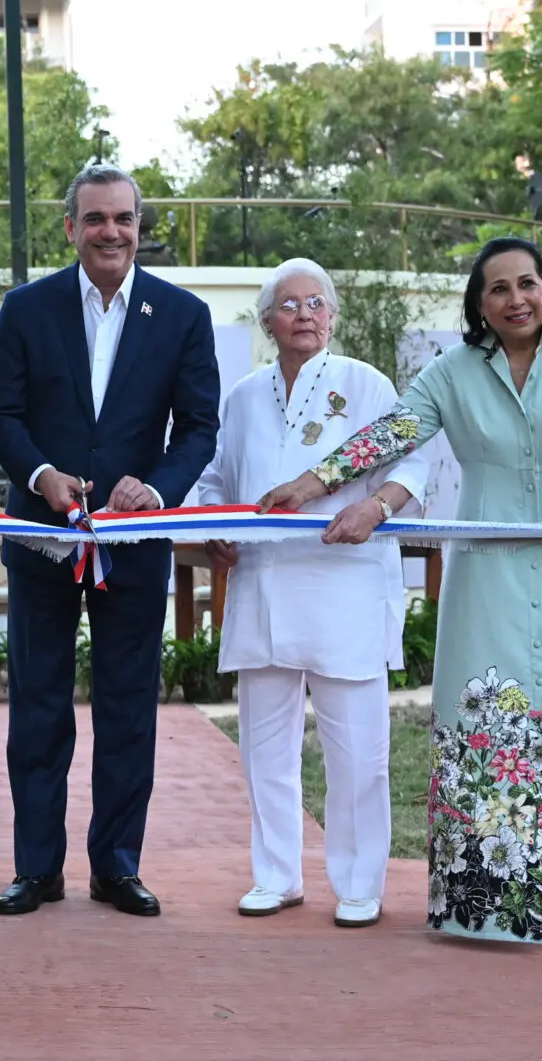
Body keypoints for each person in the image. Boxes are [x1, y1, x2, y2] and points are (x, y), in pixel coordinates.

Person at [262, 237, 542, 949]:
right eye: (498, 289)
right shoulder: (451, 373)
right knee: (494, 721)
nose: (516, 299)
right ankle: (493, 903)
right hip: (487, 578)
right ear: (479, 304)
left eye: (528, 284)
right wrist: (311, 485)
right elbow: (390, 434)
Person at [0, 166, 221, 918]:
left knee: (126, 706)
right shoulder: (26, 308)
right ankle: (36, 868)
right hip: (41, 536)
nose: (110, 232)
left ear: (141, 225)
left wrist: (154, 487)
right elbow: (2, 415)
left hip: (135, 541)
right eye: (95, 219)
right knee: (39, 705)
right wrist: (44, 474)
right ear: (70, 226)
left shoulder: (182, 314)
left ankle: (117, 865)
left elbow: (200, 428)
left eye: (123, 218)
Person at [194, 259, 429, 930]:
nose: (303, 313)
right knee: (263, 748)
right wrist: (213, 526)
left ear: (331, 317)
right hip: (262, 585)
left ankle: (359, 883)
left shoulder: (365, 383)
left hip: (342, 585)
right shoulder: (242, 395)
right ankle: (276, 875)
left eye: (316, 302)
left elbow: (412, 459)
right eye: (289, 304)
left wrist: (377, 508)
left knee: (357, 752)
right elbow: (214, 476)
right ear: (267, 321)